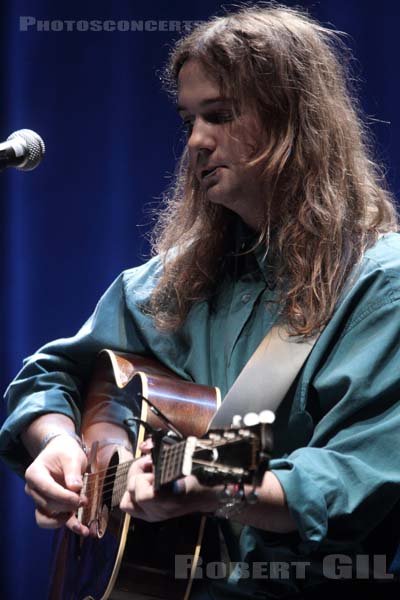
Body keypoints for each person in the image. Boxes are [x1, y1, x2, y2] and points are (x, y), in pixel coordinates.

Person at [1, 4, 400, 598]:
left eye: (219, 116)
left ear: (295, 124)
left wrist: (211, 480)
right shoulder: (182, 275)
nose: (194, 141)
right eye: (189, 118)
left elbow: (358, 471)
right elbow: (53, 373)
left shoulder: (379, 283)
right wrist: (57, 442)